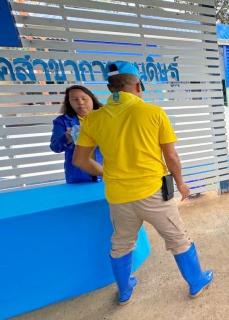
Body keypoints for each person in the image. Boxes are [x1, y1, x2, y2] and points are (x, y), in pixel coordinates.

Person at [73, 61, 213, 305]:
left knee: (121, 244)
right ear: (138, 85)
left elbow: (80, 160)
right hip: (153, 193)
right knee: (178, 238)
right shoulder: (153, 113)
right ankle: (196, 281)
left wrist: (106, 173)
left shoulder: (93, 120)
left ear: (110, 87)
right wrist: (181, 184)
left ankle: (125, 290)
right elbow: (171, 156)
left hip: (118, 196)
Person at [50, 85, 103, 183]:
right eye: (74, 99)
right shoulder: (62, 121)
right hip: (78, 175)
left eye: (84, 99)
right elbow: (55, 147)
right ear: (69, 103)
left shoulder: (105, 117)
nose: (80, 103)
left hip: (106, 172)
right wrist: (67, 137)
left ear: (92, 99)